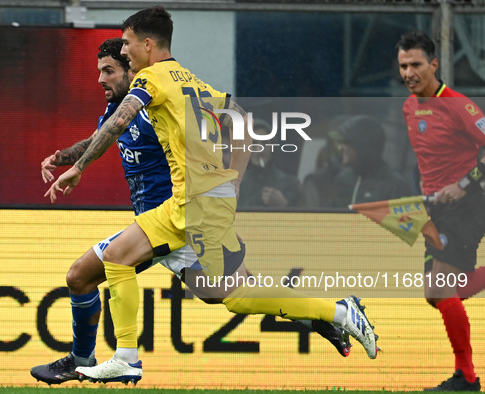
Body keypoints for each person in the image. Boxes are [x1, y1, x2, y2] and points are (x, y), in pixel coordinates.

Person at [46, 6, 377, 384]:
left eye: (127, 43)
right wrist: (233, 181)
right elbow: (243, 123)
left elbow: (120, 121)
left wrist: (79, 168)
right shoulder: (193, 81)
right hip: (207, 200)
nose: (124, 51)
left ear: (148, 44)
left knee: (117, 259)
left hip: (189, 204)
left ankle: (125, 358)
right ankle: (337, 312)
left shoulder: (149, 79)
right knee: (232, 295)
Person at [396, 30, 485, 392]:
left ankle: (466, 377)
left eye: (416, 64)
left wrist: (462, 185)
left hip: (467, 205)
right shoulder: (409, 107)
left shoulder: (461, 106)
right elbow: (430, 161)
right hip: (436, 210)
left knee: (439, 289)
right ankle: (465, 375)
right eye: (403, 65)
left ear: (434, 64)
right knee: (440, 294)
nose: (408, 72)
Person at [328, 115, 413, 207]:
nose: (339, 148)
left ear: (363, 145)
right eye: (339, 143)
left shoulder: (395, 186)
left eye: (346, 142)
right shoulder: (342, 181)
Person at [238, 119, 301, 209]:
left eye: (264, 143)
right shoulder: (236, 185)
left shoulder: (289, 184)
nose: (259, 150)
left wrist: (284, 205)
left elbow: (303, 218)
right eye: (253, 144)